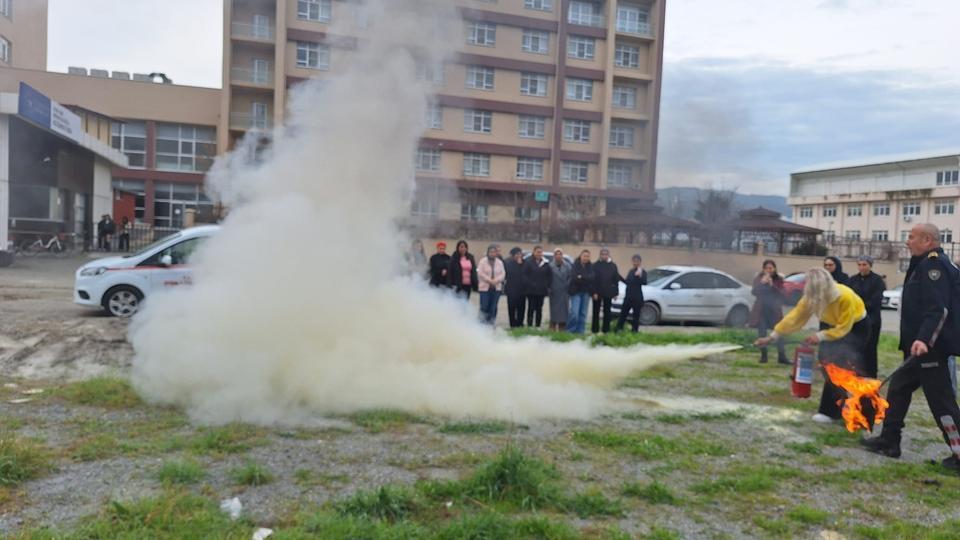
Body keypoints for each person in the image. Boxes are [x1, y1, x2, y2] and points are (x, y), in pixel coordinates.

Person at [862, 224, 960, 472]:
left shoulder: (934, 266)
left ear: (927, 240)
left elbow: (939, 309)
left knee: (942, 403)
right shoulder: (923, 263)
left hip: (930, 349)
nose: (907, 241)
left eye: (912, 237)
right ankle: (889, 441)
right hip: (917, 348)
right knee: (898, 389)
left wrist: (924, 339)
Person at [755, 267, 871, 424]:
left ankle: (859, 410)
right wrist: (773, 336)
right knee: (826, 364)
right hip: (830, 325)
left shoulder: (845, 297)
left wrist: (819, 336)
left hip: (855, 328)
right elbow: (794, 318)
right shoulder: (811, 297)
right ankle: (834, 409)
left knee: (843, 366)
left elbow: (843, 328)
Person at [848, 255, 885, 377]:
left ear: (870, 265)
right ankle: (856, 372)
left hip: (871, 319)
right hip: (856, 320)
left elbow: (876, 299)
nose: (862, 267)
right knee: (855, 347)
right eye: (859, 265)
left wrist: (861, 306)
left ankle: (871, 374)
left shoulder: (877, 280)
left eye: (864, 265)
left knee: (870, 347)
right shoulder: (853, 280)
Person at [749, 259, 789, 365]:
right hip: (762, 311)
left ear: (774, 269)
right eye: (766, 268)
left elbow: (783, 295)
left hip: (774, 311)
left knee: (779, 332)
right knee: (762, 333)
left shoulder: (778, 279)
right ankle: (764, 356)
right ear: (763, 269)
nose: (768, 270)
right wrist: (762, 283)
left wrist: (772, 285)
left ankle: (782, 357)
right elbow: (754, 292)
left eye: (771, 268)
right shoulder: (759, 278)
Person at [591, 248, 621, 334]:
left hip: (608, 292)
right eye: (602, 254)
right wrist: (594, 292)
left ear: (608, 255)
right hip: (597, 292)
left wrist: (615, 293)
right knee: (596, 312)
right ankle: (595, 330)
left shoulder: (613, 266)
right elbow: (593, 280)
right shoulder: (595, 265)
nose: (604, 256)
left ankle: (606, 330)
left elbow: (616, 280)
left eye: (606, 254)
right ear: (600, 255)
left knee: (607, 312)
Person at [615, 254, 647, 333]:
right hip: (628, 297)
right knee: (623, 314)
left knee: (636, 316)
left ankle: (634, 331)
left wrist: (639, 276)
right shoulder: (631, 271)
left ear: (640, 262)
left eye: (637, 261)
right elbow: (627, 282)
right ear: (632, 262)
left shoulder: (643, 272)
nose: (635, 263)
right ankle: (619, 329)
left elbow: (644, 282)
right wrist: (619, 277)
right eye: (634, 261)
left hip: (637, 298)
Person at [566, 250, 594, 334]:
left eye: (587, 256)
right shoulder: (575, 265)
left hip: (586, 292)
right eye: (584, 256)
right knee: (574, 312)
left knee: (583, 313)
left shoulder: (590, 266)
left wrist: (581, 277)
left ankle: (580, 331)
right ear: (580, 256)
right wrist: (585, 278)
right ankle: (570, 330)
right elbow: (574, 278)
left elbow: (592, 278)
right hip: (575, 292)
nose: (586, 258)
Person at [477, 244, 506, 325]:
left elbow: (503, 274)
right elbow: (480, 273)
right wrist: (490, 280)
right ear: (488, 252)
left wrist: (496, 280)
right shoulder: (482, 261)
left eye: (494, 252)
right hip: (484, 288)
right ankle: (481, 324)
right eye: (491, 252)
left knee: (493, 307)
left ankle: (490, 324)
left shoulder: (499, 262)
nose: (492, 254)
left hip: (496, 288)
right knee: (484, 306)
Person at [524, 245, 552, 328]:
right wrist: (530, 283)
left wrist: (546, 285)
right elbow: (525, 275)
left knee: (539, 309)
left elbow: (549, 276)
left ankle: (537, 325)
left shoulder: (545, 263)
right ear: (534, 252)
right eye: (537, 252)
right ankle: (529, 325)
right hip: (531, 291)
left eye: (540, 252)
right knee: (531, 308)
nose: (539, 254)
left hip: (541, 291)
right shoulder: (528, 262)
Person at [503, 247, 527, 328]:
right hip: (511, 290)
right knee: (511, 308)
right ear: (513, 255)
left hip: (522, 290)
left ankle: (520, 323)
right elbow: (506, 275)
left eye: (520, 254)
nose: (519, 256)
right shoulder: (508, 263)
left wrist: (520, 265)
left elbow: (526, 274)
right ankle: (512, 324)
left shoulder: (525, 263)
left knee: (521, 308)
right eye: (517, 254)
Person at [548, 248, 571, 331]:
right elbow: (547, 278)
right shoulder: (550, 266)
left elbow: (570, 277)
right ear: (554, 256)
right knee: (554, 311)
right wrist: (549, 289)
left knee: (564, 311)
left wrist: (567, 286)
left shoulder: (567, 266)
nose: (558, 256)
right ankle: (553, 325)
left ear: (562, 255)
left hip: (564, 292)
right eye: (556, 254)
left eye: (560, 254)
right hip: (554, 292)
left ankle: (562, 326)